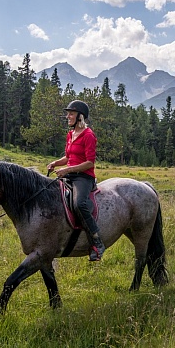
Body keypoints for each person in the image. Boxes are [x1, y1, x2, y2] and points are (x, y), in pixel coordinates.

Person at [47, 100, 105, 261]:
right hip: (70, 174)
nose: (68, 116)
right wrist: (55, 163)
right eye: (68, 113)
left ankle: (97, 241)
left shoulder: (89, 135)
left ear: (80, 116)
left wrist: (68, 170)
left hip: (84, 177)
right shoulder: (70, 134)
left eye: (71, 113)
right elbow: (68, 157)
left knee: (79, 203)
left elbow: (89, 162)